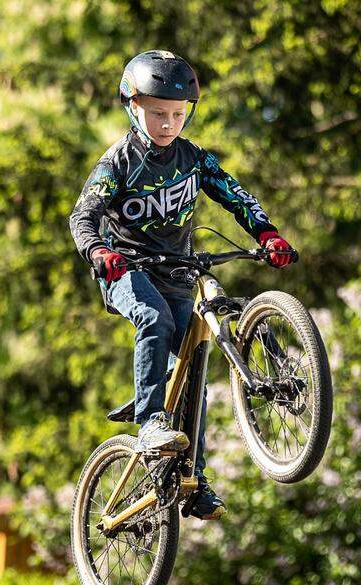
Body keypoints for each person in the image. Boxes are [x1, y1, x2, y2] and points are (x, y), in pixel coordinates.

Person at [67, 50, 295, 520]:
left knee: (193, 372)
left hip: (176, 271)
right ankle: (151, 423)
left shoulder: (193, 159)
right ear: (133, 107)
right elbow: (82, 216)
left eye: (177, 113)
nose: (168, 123)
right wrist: (99, 252)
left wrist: (267, 233)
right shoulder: (119, 163)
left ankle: (191, 481)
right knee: (152, 317)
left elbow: (236, 196)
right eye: (157, 114)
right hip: (126, 269)